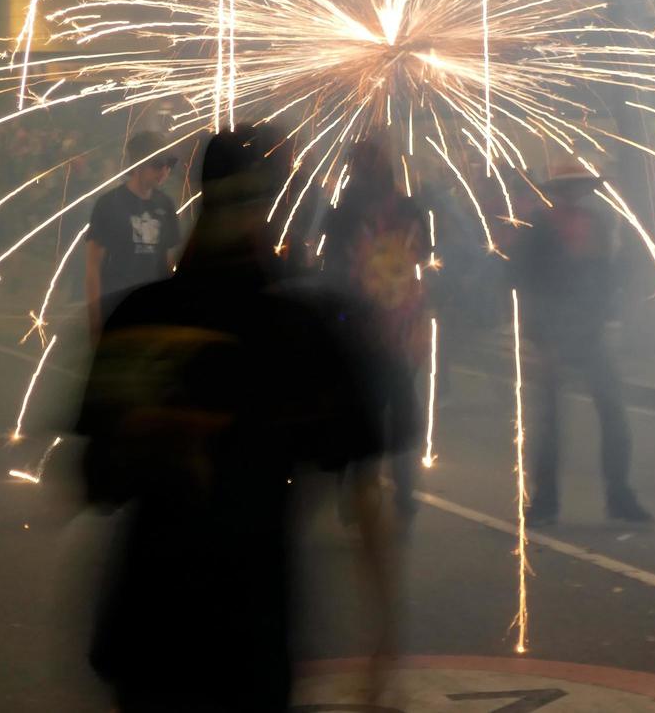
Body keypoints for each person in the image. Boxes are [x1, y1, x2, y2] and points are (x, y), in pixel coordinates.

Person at [76, 127, 397, 712]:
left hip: (146, 628)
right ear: (270, 207)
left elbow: (95, 483)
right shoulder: (301, 328)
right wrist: (383, 636)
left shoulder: (141, 317)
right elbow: (366, 486)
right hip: (250, 636)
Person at [514, 159, 652, 527]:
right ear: (559, 191)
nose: (577, 193)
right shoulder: (540, 228)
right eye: (570, 187)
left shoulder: (601, 225)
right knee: (551, 423)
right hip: (553, 333)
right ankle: (546, 500)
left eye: (581, 186)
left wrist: (609, 312)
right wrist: (538, 339)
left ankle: (619, 495)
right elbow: (526, 283)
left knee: (613, 413)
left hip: (589, 331)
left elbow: (606, 276)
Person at [321, 138, 428, 527]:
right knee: (379, 410)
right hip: (378, 326)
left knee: (381, 409)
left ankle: (385, 489)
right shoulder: (354, 212)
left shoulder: (360, 210)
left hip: (387, 325)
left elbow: (424, 260)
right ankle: (385, 490)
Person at [84, 131, 179, 336]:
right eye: (156, 164)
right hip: (117, 307)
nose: (164, 171)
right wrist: (95, 320)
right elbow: (93, 265)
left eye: (168, 165)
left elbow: (166, 260)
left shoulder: (166, 205)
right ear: (138, 164)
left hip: (152, 312)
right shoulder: (109, 204)